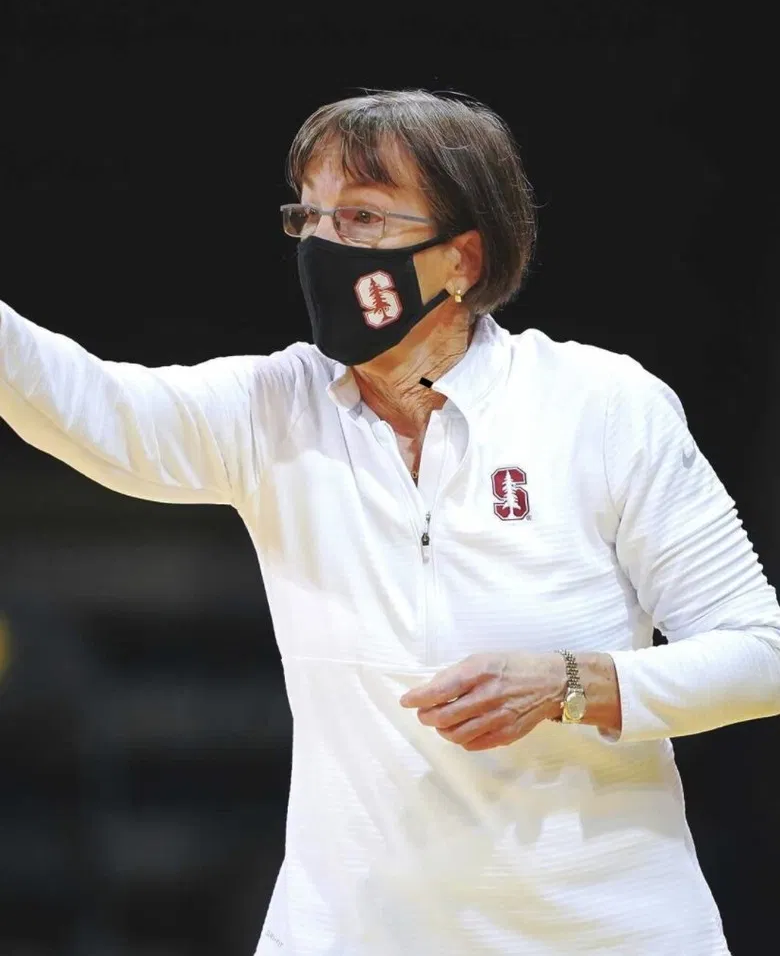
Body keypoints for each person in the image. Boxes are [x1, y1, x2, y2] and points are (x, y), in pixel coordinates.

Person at [1, 89, 778, 956]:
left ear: (461, 259)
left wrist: (571, 682)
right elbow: (86, 404)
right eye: (312, 217)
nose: (326, 245)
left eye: (364, 218)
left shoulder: (601, 406)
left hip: (606, 932)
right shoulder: (275, 406)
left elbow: (761, 654)